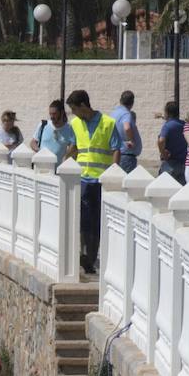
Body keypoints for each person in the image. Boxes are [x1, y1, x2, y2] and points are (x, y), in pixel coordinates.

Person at [64, 88, 122, 275]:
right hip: (81, 178)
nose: (73, 113)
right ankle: (83, 255)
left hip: (99, 180)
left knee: (95, 221)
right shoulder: (75, 124)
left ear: (83, 106)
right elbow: (74, 147)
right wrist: (63, 167)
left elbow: (115, 149)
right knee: (80, 218)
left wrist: (112, 174)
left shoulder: (108, 123)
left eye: (74, 109)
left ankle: (90, 256)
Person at [29, 100, 76, 164]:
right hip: (41, 167)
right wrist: (39, 151)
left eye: (54, 114)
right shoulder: (43, 124)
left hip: (58, 170)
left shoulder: (69, 129)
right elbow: (33, 142)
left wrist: (66, 156)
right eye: (50, 114)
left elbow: (73, 145)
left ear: (62, 113)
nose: (51, 117)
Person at [110, 89, 142, 174]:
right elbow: (127, 127)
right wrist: (131, 140)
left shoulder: (113, 113)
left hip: (115, 154)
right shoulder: (126, 114)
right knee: (126, 184)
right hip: (126, 155)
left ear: (120, 100)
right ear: (132, 102)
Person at [157, 100, 187, 183]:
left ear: (167, 112)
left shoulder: (167, 126)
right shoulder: (184, 125)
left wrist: (163, 153)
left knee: (165, 191)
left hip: (169, 164)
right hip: (183, 165)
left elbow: (161, 140)